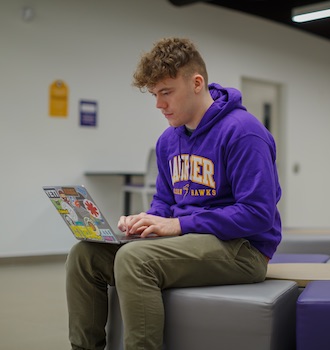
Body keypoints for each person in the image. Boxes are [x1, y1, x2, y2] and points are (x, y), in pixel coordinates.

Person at [66, 37, 282, 350]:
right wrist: (146, 220)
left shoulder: (244, 132)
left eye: (166, 92)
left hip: (243, 250)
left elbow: (258, 214)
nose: (158, 104)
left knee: (135, 260)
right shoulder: (168, 141)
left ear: (197, 83)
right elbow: (165, 202)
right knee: (84, 256)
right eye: (154, 94)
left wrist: (179, 225)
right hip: (188, 243)